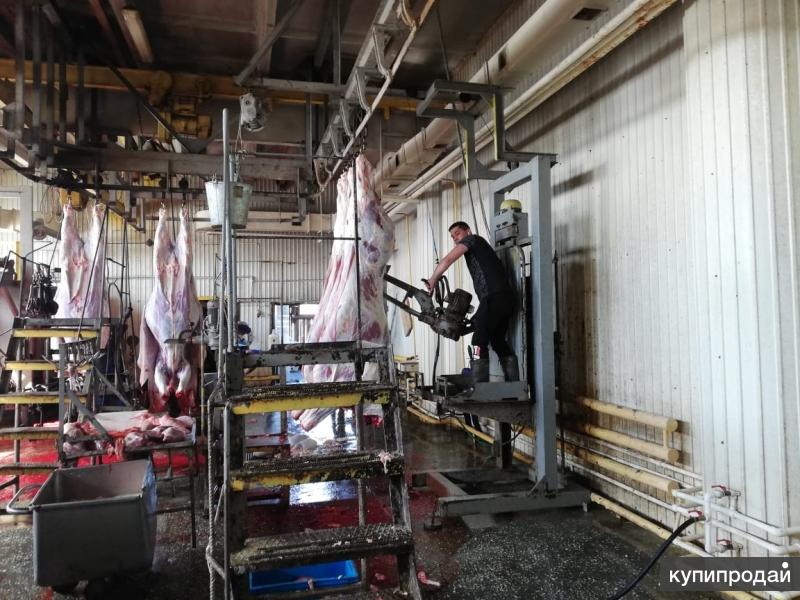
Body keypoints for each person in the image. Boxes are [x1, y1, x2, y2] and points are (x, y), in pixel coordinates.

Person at [424, 221, 519, 384]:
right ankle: (514, 386)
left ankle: (480, 387)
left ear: (468, 231)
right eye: (452, 237)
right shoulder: (477, 248)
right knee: (498, 341)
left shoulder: (473, 240)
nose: (455, 238)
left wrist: (433, 279)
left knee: (478, 342)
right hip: (504, 298)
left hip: (494, 297)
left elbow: (448, 259)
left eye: (457, 233)